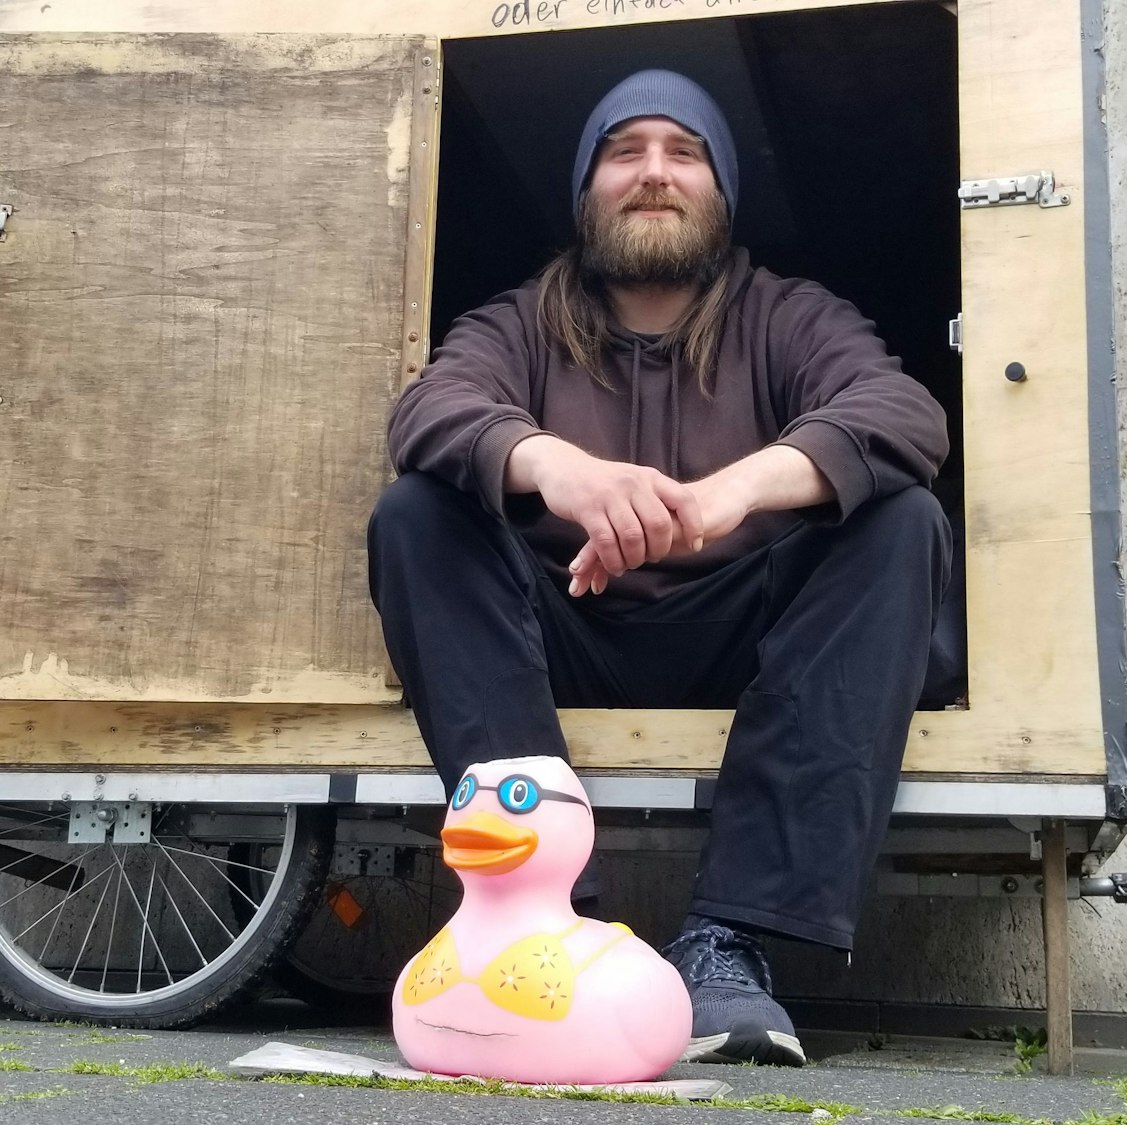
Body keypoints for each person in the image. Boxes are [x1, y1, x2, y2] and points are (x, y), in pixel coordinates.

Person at [368, 69, 951, 1068]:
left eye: (682, 153)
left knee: (901, 521)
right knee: (416, 512)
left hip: (750, 640)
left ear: (720, 191)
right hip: (562, 633)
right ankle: (539, 926)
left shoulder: (788, 314)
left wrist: (736, 491)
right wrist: (556, 468)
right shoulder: (518, 320)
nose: (652, 173)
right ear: (585, 188)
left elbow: (902, 414)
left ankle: (728, 944)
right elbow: (429, 411)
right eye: (622, 151)